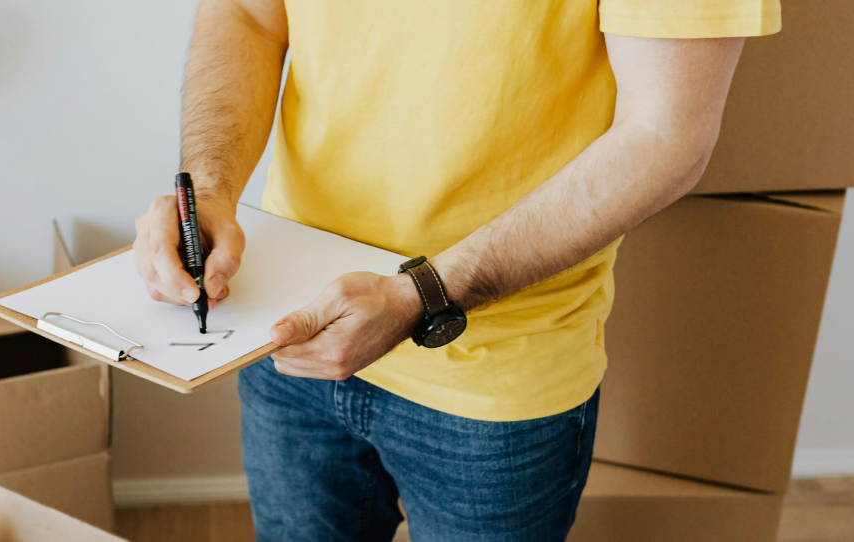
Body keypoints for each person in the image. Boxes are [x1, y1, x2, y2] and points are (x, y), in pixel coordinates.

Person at [134, 1, 781, 540]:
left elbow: (664, 136)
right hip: (286, 327)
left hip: (498, 381)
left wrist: (423, 295)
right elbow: (248, 13)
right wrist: (211, 188)